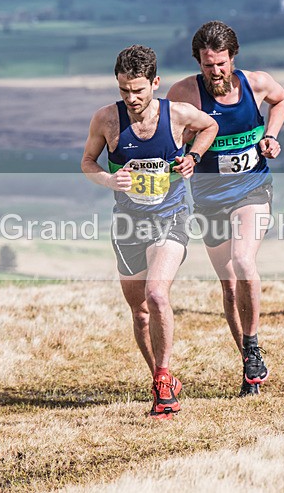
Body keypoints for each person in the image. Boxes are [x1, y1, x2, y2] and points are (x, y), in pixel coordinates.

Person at [81, 45, 218, 419]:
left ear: (155, 83)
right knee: (140, 312)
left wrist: (193, 157)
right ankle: (161, 377)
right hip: (128, 223)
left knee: (157, 293)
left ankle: (162, 378)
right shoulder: (107, 120)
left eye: (139, 90)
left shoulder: (177, 115)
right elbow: (87, 162)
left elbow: (210, 126)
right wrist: (110, 179)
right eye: (124, 89)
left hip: (171, 215)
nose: (131, 98)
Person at [166, 21, 284, 397]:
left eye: (221, 63)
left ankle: (253, 346)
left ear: (233, 58)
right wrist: (184, 155)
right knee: (230, 286)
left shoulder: (257, 83)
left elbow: (281, 100)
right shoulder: (185, 92)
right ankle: (248, 365)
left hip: (252, 189)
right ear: (198, 63)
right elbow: (170, 134)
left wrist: (271, 136)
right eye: (208, 65)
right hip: (209, 198)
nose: (215, 72)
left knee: (242, 261)